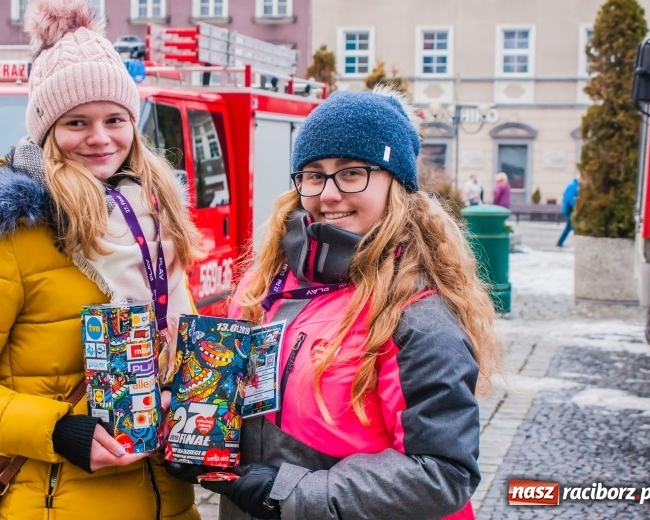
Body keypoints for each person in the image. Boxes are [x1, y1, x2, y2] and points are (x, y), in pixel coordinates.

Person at [0, 0, 201, 518]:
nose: (100, 138)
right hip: (58, 503)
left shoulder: (155, 217)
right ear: (47, 129)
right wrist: (59, 430)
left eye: (115, 119)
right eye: (76, 122)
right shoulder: (4, 233)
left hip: (170, 504)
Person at [168, 86, 502, 519]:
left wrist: (290, 493)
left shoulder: (416, 315)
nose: (328, 193)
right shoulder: (265, 285)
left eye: (351, 173)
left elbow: (443, 474)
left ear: (396, 185)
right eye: (314, 174)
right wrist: (192, 427)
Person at [557, 175, 580, 247]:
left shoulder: (574, 185)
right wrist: (576, 206)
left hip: (569, 209)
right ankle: (560, 242)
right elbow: (569, 199)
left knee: (570, 226)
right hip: (569, 209)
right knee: (571, 226)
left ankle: (560, 242)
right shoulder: (573, 186)